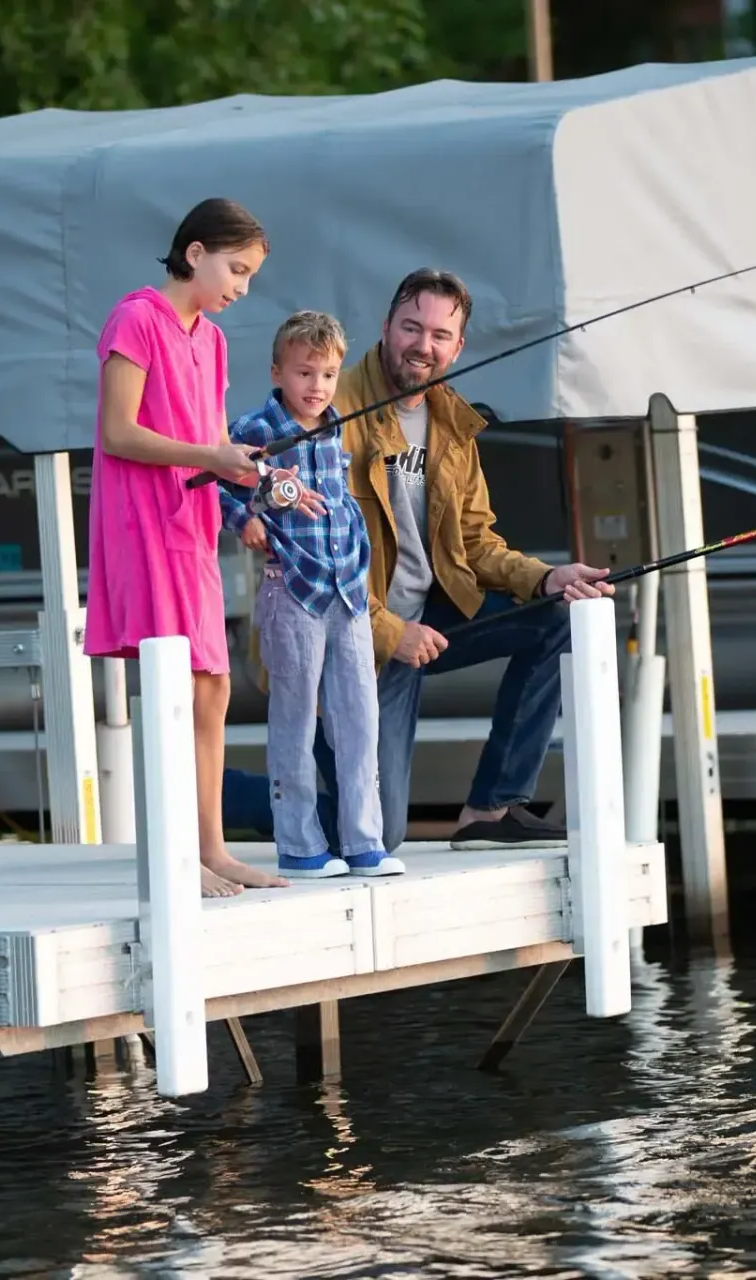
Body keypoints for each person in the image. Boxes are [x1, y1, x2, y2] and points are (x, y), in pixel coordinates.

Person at [312, 268, 614, 853]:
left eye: (439, 335)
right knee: (376, 833)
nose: (423, 346)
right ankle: (223, 791)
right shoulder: (333, 407)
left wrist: (547, 576)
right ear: (385, 328)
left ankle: (489, 807)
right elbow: (317, 556)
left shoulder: (452, 419)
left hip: (431, 620)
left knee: (555, 616)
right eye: (411, 328)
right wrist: (388, 630)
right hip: (351, 640)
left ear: (458, 347)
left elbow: (476, 543)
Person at [84, 196, 319, 898]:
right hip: (143, 525)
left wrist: (256, 472)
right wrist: (211, 458)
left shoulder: (211, 341)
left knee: (212, 685)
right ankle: (173, 856)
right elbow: (118, 433)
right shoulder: (135, 319)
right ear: (195, 253)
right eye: (236, 269)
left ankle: (210, 848)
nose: (242, 288)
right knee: (172, 688)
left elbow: (214, 445)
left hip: (191, 529)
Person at [219, 311, 402, 879]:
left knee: (359, 718)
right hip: (291, 589)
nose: (316, 386)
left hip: (347, 591)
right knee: (295, 718)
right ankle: (299, 844)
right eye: (304, 373)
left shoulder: (338, 423)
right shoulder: (255, 428)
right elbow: (216, 488)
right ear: (278, 372)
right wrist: (243, 518)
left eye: (327, 374)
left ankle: (363, 841)